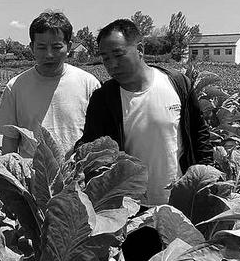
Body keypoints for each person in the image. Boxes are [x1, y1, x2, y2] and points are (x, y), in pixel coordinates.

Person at [78, 19, 212, 205]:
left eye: (118, 54)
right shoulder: (103, 99)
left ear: (140, 49)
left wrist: (206, 177)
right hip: (131, 206)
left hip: (180, 200)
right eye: (105, 58)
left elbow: (199, 134)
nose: (112, 64)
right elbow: (94, 147)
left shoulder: (177, 83)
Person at [0, 10, 101, 156]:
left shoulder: (89, 84)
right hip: (32, 170)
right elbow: (9, 141)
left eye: (57, 47)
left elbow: (99, 138)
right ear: (32, 48)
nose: (49, 54)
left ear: (69, 47)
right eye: (42, 47)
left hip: (76, 170)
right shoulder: (16, 87)